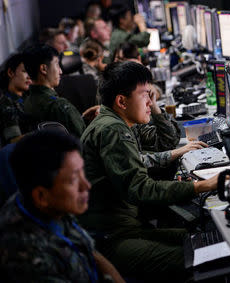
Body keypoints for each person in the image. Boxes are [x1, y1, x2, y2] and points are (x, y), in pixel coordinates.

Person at [80, 61, 218, 281]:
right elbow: (141, 189)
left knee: (204, 237)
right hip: (112, 239)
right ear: (121, 101)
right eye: (145, 94)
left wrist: (152, 106)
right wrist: (203, 185)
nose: (149, 101)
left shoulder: (116, 122)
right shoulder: (112, 129)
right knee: (203, 257)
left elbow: (159, 147)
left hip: (124, 229)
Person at [0, 129, 125, 283]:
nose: (86, 186)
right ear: (41, 196)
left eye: (82, 172)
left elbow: (90, 251)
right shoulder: (29, 260)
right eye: (73, 179)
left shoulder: (48, 203)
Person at [23, 44, 86, 137]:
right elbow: (84, 140)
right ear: (43, 69)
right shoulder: (59, 106)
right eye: (57, 64)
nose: (60, 71)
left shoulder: (27, 102)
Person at [0, 53, 33, 145]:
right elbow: (13, 140)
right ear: (11, 72)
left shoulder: (29, 97)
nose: (29, 76)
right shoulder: (6, 103)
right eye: (25, 71)